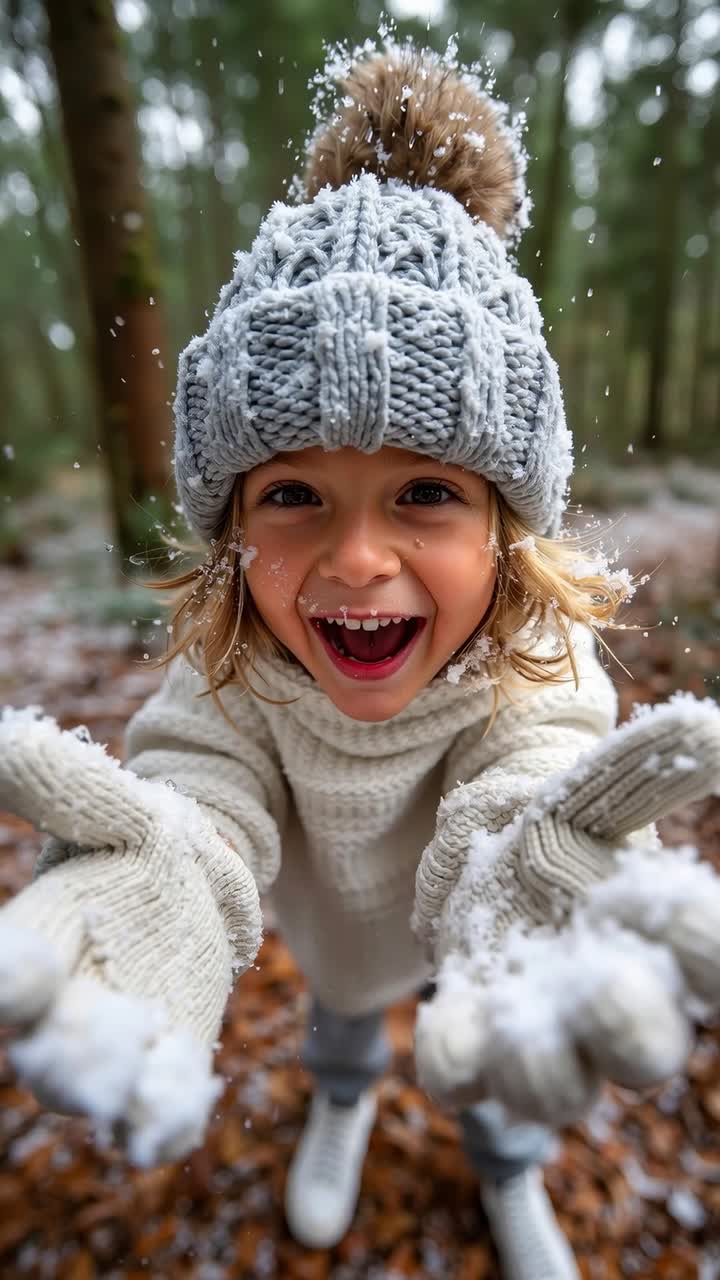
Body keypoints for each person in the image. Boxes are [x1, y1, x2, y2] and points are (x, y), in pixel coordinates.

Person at [1, 36, 719, 1280]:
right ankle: (341, 1100)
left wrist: (527, 862)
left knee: (493, 1051)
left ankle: (502, 1169)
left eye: (427, 491)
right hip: (339, 941)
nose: (357, 560)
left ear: (509, 522)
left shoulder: (530, 660)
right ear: (230, 526)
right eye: (292, 496)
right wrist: (175, 871)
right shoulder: (236, 672)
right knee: (343, 1026)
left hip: (472, 933)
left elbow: (534, 766)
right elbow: (202, 788)